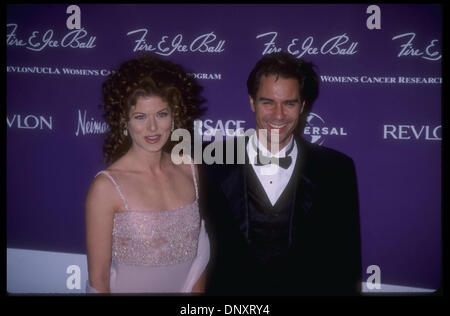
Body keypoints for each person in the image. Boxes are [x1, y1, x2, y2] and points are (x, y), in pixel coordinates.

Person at [200, 51, 362, 295]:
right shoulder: (209, 162)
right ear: (252, 102)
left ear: (303, 106)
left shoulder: (336, 169)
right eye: (268, 102)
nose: (278, 114)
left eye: (289, 103)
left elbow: (345, 262)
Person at [85, 55, 209, 293]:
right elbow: (98, 280)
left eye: (161, 114)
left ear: (174, 116)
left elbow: (200, 253)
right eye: (140, 117)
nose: (152, 128)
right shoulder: (107, 187)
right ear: (124, 120)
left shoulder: (188, 168)